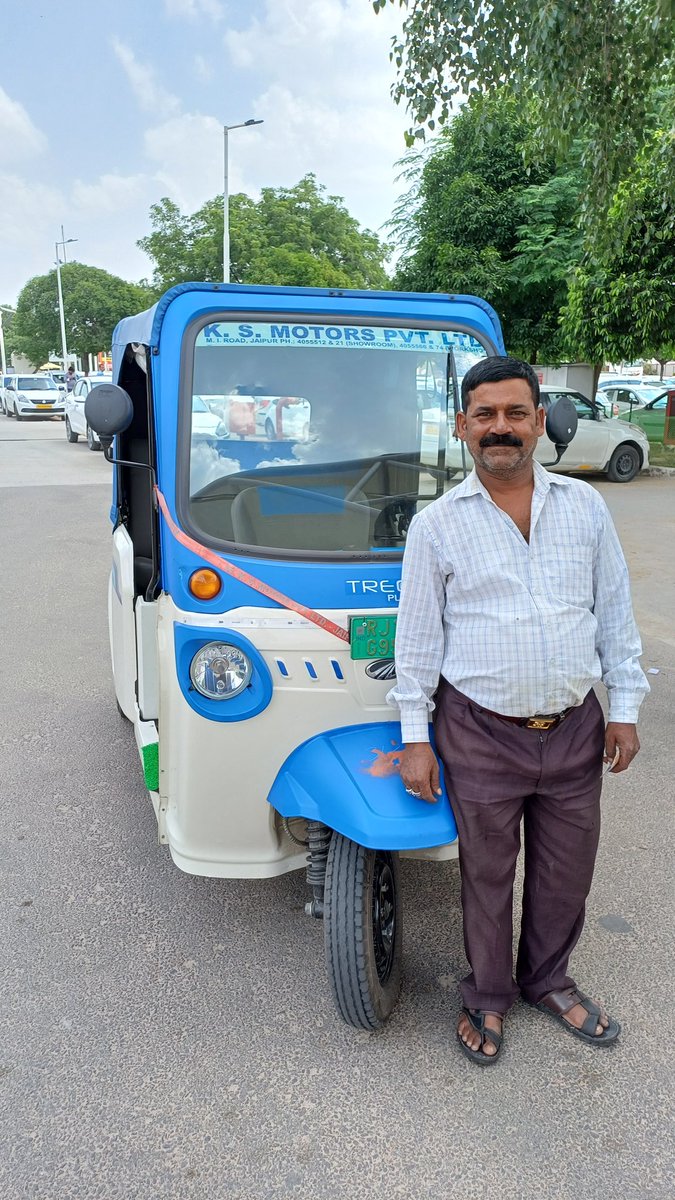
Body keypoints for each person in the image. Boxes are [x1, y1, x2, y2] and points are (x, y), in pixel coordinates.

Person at [388, 355, 648, 1065]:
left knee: (567, 869)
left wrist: (621, 707)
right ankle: (487, 994)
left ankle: (546, 980)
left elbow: (613, 613)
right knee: (486, 873)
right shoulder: (436, 526)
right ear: (462, 428)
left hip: (572, 729)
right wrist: (416, 737)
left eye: (513, 413)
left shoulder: (584, 507)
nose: (499, 428)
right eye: (484, 416)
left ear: (538, 421)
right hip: (477, 732)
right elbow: (416, 642)